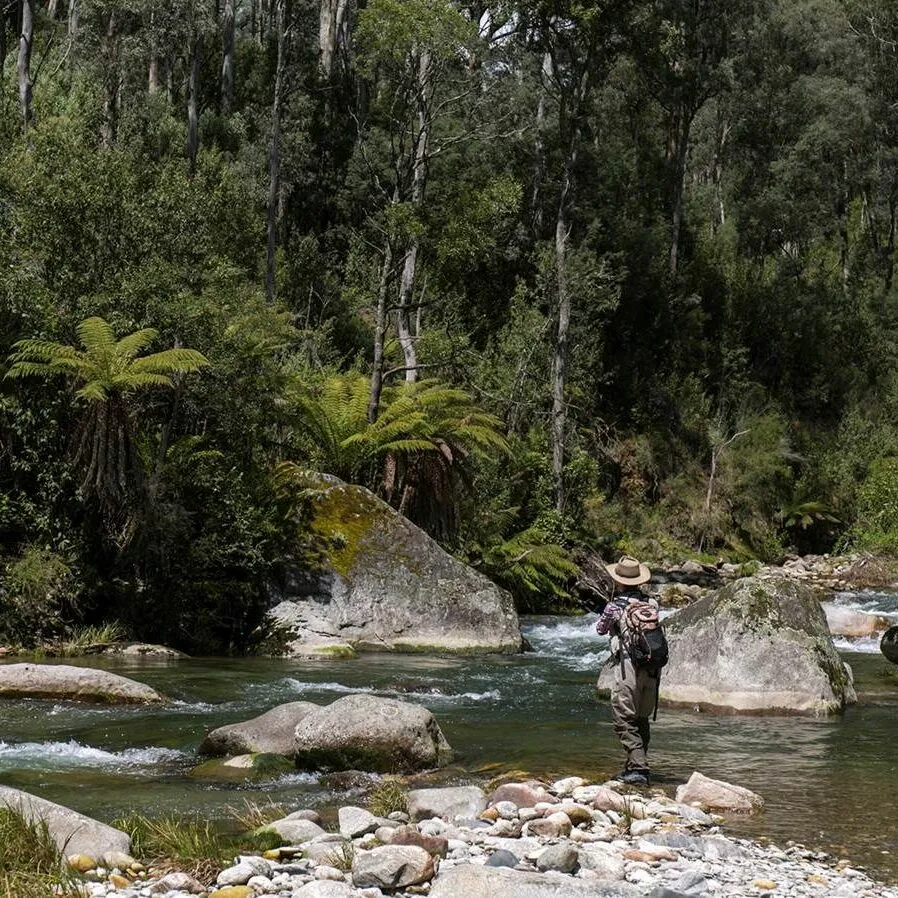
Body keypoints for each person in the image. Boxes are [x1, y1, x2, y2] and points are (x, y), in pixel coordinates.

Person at [595, 555, 659, 786]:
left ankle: (639, 769)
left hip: (628, 666)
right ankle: (634, 765)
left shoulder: (614, 606)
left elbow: (600, 629)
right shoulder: (652, 604)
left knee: (623, 717)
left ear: (618, 581)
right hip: (651, 668)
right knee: (641, 718)